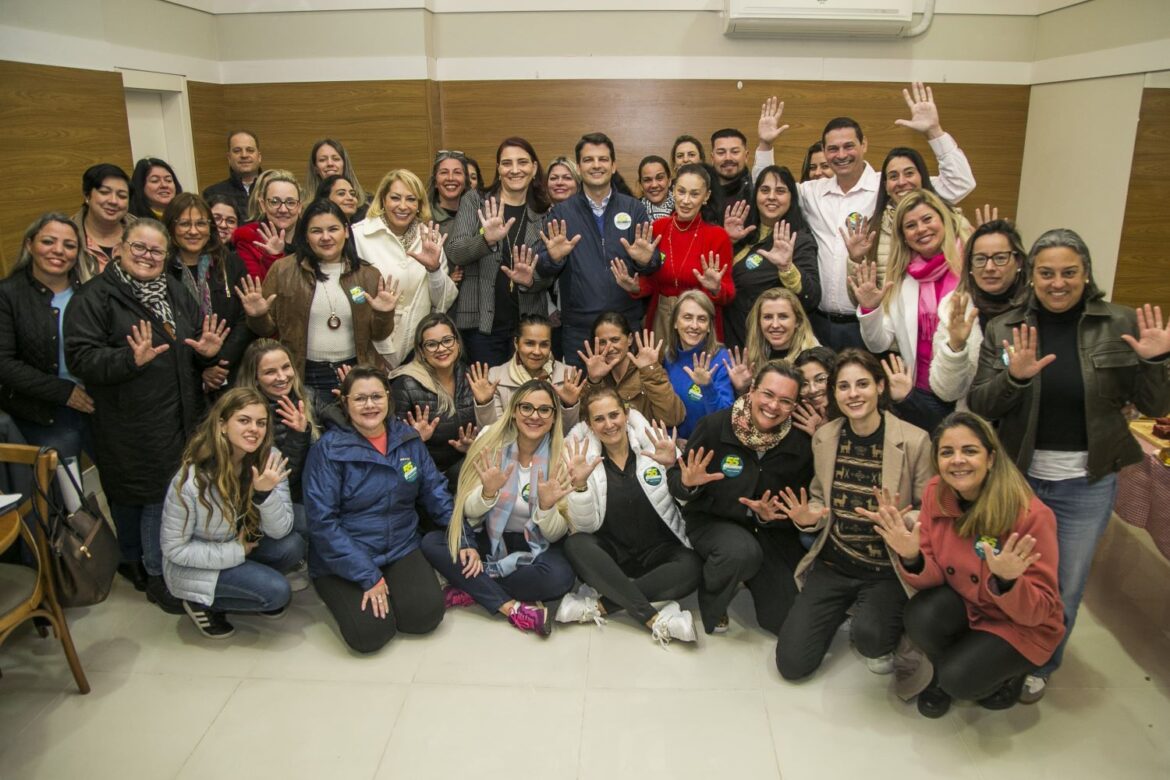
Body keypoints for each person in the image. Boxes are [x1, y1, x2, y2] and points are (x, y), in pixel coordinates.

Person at [969, 228, 1170, 703]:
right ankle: (999, 651)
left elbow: (1153, 402)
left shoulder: (1119, 321)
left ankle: (1043, 661)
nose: (1057, 283)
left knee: (1065, 582)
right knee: (1005, 570)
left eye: (1068, 272)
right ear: (1030, 275)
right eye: (1046, 273)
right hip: (1018, 477)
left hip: (1086, 480)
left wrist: (1158, 361)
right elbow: (980, 403)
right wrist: (1013, 379)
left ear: (1086, 274)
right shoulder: (1005, 327)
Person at [64, 218, 229, 613]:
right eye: (139, 248)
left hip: (178, 411)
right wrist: (128, 359)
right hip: (127, 417)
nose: (148, 257)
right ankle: (156, 574)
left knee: (164, 489)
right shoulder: (95, 297)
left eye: (156, 251)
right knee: (146, 492)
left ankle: (144, 564)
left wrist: (205, 354)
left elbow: (187, 345)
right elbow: (81, 357)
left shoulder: (172, 289)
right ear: (119, 248)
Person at [753, 84, 977, 351]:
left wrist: (934, 132)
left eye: (849, 146)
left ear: (864, 145)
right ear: (824, 152)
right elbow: (766, 192)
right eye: (833, 149)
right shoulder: (812, 192)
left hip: (873, 322)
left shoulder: (891, 185)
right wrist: (765, 145)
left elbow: (960, 184)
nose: (841, 154)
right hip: (817, 322)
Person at [879, 412, 1064, 717]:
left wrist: (1007, 582)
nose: (957, 460)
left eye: (970, 451)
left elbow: (1041, 610)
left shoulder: (1030, 515)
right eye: (947, 452)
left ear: (991, 458)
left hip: (1018, 622)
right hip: (969, 604)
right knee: (920, 615)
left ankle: (1004, 675)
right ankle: (948, 668)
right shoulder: (935, 493)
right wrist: (912, 556)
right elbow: (934, 580)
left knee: (960, 680)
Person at [775, 348, 932, 681]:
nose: (853, 394)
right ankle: (846, 609)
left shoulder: (915, 441)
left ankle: (876, 619)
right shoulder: (825, 437)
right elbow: (819, 499)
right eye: (843, 387)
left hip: (885, 568)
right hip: (835, 563)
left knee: (871, 639)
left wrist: (903, 520)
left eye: (862, 384)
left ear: (879, 386)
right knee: (791, 664)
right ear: (834, 394)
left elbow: (929, 513)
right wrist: (808, 516)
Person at [303, 366, 451, 653]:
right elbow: (322, 522)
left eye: (376, 396)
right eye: (359, 399)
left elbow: (434, 489)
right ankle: (349, 588)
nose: (369, 405)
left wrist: (462, 535)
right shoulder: (328, 450)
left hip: (400, 545)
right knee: (370, 636)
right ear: (345, 402)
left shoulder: (407, 439)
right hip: (345, 555)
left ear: (388, 398)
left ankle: (393, 586)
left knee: (425, 617)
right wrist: (367, 574)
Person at [667, 360, 815, 634]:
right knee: (741, 553)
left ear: (794, 406)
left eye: (785, 401)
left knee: (783, 622)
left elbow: (798, 506)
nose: (773, 406)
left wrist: (770, 517)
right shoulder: (714, 426)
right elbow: (676, 482)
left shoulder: (800, 443)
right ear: (752, 391)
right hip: (715, 521)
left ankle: (745, 576)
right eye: (768, 395)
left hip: (769, 531)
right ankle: (714, 592)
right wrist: (688, 484)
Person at [420, 379, 575, 636]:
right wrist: (487, 493)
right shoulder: (489, 440)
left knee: (560, 578)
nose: (534, 416)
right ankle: (512, 608)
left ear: (554, 417)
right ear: (514, 411)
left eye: (544, 410)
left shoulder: (563, 454)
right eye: (526, 408)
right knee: (433, 542)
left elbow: (556, 534)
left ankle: (470, 585)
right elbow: (466, 512)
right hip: (489, 537)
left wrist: (547, 507)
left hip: (535, 543)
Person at [160, 387, 305, 638]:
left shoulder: (270, 458)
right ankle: (200, 603)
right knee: (278, 593)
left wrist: (264, 495)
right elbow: (174, 549)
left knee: (292, 544)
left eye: (261, 423)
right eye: (244, 420)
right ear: (222, 425)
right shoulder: (192, 480)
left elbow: (280, 530)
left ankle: (247, 584)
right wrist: (236, 552)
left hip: (237, 543)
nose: (254, 429)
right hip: (197, 566)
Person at [559, 388, 701, 643]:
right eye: (599, 419)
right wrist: (579, 486)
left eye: (614, 415)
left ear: (626, 414)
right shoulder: (583, 461)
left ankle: (601, 605)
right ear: (590, 426)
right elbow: (584, 526)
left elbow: (685, 502)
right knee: (575, 544)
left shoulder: (657, 447)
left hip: (660, 550)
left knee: (692, 566)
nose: (609, 424)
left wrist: (672, 467)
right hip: (612, 554)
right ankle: (654, 619)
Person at [236, 199, 398, 396]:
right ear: (305, 235)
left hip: (354, 372)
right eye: (316, 231)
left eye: (333, 229)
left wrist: (383, 314)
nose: (326, 237)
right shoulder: (283, 270)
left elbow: (379, 335)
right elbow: (267, 329)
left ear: (346, 231)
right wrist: (258, 315)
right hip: (303, 373)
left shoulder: (368, 274)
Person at [0, 215, 95, 541]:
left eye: (69, 245)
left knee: (121, 480)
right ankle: (77, 561)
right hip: (45, 412)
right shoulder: (8, 295)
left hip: (98, 404)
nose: (59, 251)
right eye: (48, 241)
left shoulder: (91, 293)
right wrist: (64, 392)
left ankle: (124, 553)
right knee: (67, 499)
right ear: (30, 245)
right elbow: (4, 364)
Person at [533, 132, 660, 366]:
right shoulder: (562, 213)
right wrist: (553, 258)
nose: (596, 165)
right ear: (579, 168)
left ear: (613, 166)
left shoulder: (634, 209)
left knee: (629, 397)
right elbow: (542, 267)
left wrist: (646, 261)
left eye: (603, 159)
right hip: (580, 330)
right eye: (589, 160)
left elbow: (653, 263)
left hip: (625, 326)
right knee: (580, 397)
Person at [853, 189, 966, 433]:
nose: (921, 229)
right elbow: (878, 343)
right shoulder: (904, 279)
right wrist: (870, 308)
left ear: (943, 220)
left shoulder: (968, 269)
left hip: (965, 396)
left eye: (927, 219)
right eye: (911, 226)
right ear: (904, 237)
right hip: (918, 395)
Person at [446, 137, 553, 366]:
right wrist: (485, 239)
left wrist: (530, 281)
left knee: (528, 394)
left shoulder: (545, 211)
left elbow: (551, 272)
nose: (515, 170)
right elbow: (455, 252)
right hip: (481, 326)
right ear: (498, 169)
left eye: (522, 162)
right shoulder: (475, 201)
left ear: (534, 168)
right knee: (488, 394)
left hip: (529, 328)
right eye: (507, 163)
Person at [611, 163, 734, 343]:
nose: (685, 200)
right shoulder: (658, 228)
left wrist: (716, 288)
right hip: (661, 320)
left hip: (698, 324)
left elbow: (728, 292)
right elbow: (653, 282)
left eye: (694, 194)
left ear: (706, 196)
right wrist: (635, 287)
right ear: (673, 190)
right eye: (681, 191)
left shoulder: (717, 236)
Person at [352, 169, 458, 369]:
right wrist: (367, 304)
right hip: (371, 341)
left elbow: (443, 301)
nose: (403, 206)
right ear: (383, 199)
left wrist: (434, 269)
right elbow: (349, 289)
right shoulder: (358, 235)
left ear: (419, 205)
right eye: (395, 198)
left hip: (417, 347)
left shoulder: (430, 238)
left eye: (411, 199)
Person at [236, 338, 337, 541]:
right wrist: (299, 435)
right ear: (255, 378)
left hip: (316, 491)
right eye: (270, 372)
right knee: (316, 526)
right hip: (274, 501)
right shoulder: (248, 415)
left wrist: (350, 400)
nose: (282, 377)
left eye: (286, 367)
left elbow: (343, 432)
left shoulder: (308, 395)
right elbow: (283, 481)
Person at [928, 217, 1028, 405]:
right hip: (978, 423)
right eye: (980, 259)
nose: (989, 268)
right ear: (971, 266)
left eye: (1000, 258)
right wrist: (955, 347)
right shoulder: (957, 306)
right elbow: (946, 392)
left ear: (1019, 261)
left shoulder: (1035, 304)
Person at [162, 193, 253, 392]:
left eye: (201, 224)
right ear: (171, 227)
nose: (194, 231)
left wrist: (217, 364)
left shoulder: (230, 263)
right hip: (182, 376)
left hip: (229, 371)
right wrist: (203, 366)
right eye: (184, 224)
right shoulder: (161, 270)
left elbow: (244, 318)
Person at [722, 165, 821, 348]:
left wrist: (786, 268)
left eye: (781, 191)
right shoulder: (743, 233)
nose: (771, 197)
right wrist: (727, 242)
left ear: (792, 197)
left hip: (769, 346)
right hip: (731, 339)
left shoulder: (798, 240)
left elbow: (812, 297)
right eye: (765, 190)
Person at [859, 147, 972, 296]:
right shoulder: (872, 230)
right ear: (886, 186)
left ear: (922, 177)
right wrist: (856, 259)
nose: (902, 182)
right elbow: (861, 295)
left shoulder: (955, 222)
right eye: (893, 177)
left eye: (909, 173)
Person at [389, 313, 477, 477]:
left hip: (462, 469)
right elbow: (393, 450)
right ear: (421, 350)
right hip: (423, 476)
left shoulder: (468, 375)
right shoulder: (405, 384)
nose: (441, 349)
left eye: (447, 340)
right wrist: (414, 440)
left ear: (457, 342)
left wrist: (471, 446)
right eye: (431, 344)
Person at [468, 313, 585, 430]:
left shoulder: (568, 376)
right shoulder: (496, 376)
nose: (537, 351)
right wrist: (485, 404)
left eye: (544, 344)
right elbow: (491, 437)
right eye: (529, 343)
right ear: (516, 343)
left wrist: (569, 406)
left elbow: (571, 436)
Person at [578, 312, 685, 427]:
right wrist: (594, 381)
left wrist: (651, 372)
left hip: (645, 443)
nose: (609, 347)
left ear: (629, 339)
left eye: (615, 340)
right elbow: (584, 422)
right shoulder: (598, 375)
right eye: (603, 342)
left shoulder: (646, 371)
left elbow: (673, 419)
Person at [661, 291, 733, 439]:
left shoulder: (721, 359)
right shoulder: (668, 356)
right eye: (687, 317)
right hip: (674, 447)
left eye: (702, 319)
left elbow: (725, 419)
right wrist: (673, 440)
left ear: (709, 327)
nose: (694, 325)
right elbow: (662, 408)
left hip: (708, 446)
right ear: (675, 322)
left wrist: (707, 387)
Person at [724, 287, 819, 396]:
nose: (775, 325)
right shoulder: (756, 357)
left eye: (783, 317)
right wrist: (742, 389)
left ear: (798, 321)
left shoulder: (813, 360)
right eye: (768, 317)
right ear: (759, 322)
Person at [232, 169, 302, 280]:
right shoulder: (249, 239)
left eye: (290, 202)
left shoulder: (312, 236)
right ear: (262, 205)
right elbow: (258, 288)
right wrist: (273, 258)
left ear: (299, 207)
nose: (283, 209)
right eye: (274, 202)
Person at [71, 163, 134, 282]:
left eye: (122, 196)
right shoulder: (67, 235)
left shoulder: (143, 231)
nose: (114, 201)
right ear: (87, 195)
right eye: (104, 192)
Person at [203, 130, 263, 216]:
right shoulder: (212, 193)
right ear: (229, 158)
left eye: (250, 150)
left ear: (259, 157)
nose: (244, 155)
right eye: (237, 151)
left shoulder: (273, 189)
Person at [305, 138, 368, 217]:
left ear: (344, 165)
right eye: (322, 160)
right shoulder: (303, 208)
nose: (330, 163)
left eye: (336, 159)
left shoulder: (367, 206)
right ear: (315, 168)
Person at [792, 346, 837, 437]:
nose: (812, 390)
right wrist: (818, 437)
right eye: (804, 384)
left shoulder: (854, 411)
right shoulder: (797, 422)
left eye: (820, 379)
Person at [426, 150, 468, 237]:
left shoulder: (478, 214)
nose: (450, 178)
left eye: (457, 172)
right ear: (435, 182)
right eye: (444, 172)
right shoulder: (424, 217)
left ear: (465, 181)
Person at [711, 128, 752, 208]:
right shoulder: (702, 192)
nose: (728, 158)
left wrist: (766, 144)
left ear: (746, 156)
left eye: (735, 152)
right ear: (712, 158)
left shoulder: (755, 191)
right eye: (721, 152)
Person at [638, 155, 674, 221]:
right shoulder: (633, 211)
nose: (654, 185)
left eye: (660, 178)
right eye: (647, 180)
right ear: (641, 185)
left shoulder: (684, 208)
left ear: (669, 181)